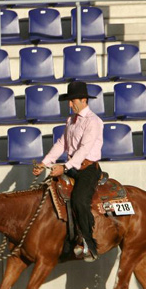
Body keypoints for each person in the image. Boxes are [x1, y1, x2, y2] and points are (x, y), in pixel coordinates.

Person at [33, 81, 104, 261]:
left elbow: (84, 150)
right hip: (73, 166)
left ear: (83, 100)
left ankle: (89, 244)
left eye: (72, 101)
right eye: (69, 101)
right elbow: (62, 144)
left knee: (79, 200)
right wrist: (45, 163)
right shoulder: (70, 121)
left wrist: (64, 167)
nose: (69, 104)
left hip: (88, 169)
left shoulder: (94, 121)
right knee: (51, 194)